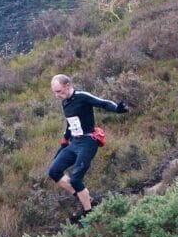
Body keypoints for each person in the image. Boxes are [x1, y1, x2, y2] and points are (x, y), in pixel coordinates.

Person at [47, 74, 128, 222]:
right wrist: (64, 143)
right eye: (54, 92)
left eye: (58, 91)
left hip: (88, 142)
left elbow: (102, 103)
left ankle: (89, 213)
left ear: (67, 85)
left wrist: (117, 109)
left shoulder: (82, 96)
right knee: (54, 171)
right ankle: (83, 198)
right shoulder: (65, 102)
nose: (57, 95)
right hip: (75, 142)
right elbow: (70, 124)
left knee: (76, 179)